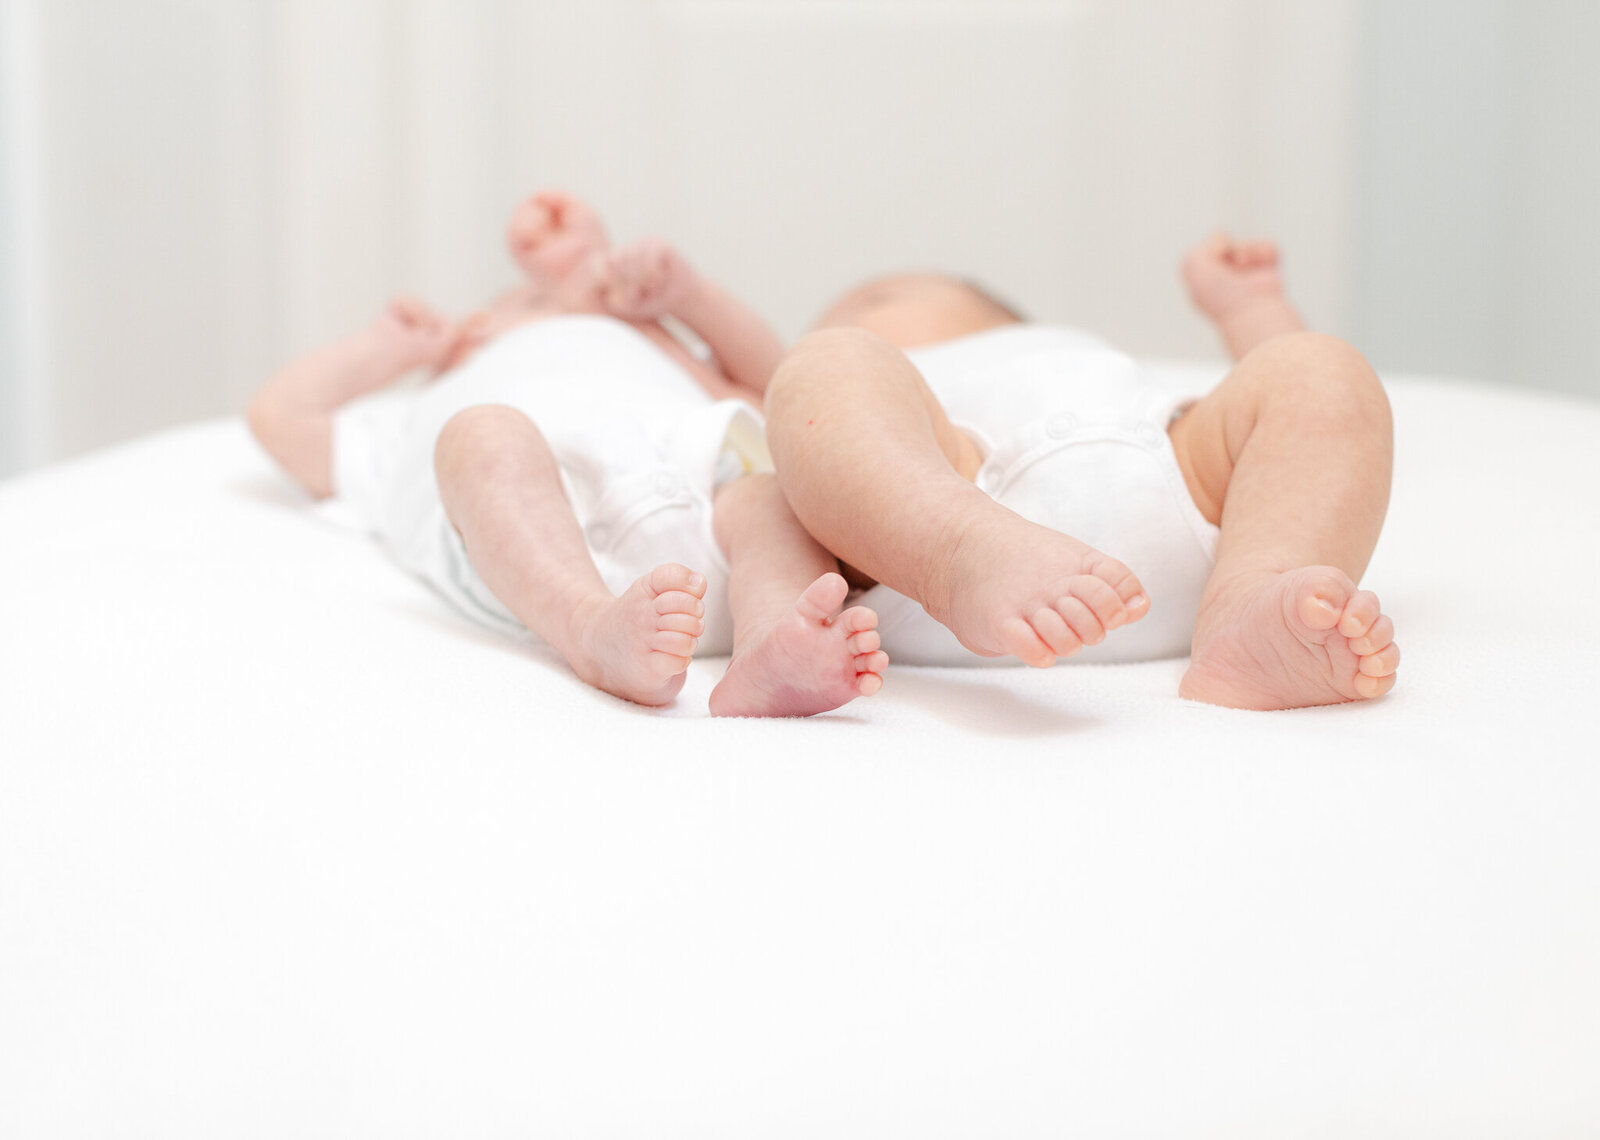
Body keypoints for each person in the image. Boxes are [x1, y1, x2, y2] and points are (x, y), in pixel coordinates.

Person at [248, 190, 886, 716]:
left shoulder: (656, 347)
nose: (563, 306)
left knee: (768, 496)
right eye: (525, 303)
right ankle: (591, 631)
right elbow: (281, 419)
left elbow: (783, 389)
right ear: (472, 334)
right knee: (480, 438)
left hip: (693, 501)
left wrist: (689, 299)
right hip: (535, 559)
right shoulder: (442, 391)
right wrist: (390, 350)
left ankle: (772, 638)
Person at [762, 234, 1399, 710]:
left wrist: (1250, 308)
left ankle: (1251, 602)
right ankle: (957, 551)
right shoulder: (883, 377)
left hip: (1187, 490)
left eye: (891, 297)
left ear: (1009, 325)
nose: (875, 305)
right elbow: (789, 416)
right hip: (946, 506)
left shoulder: (1057, 357)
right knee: (819, 372)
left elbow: (1275, 388)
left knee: (1321, 370)